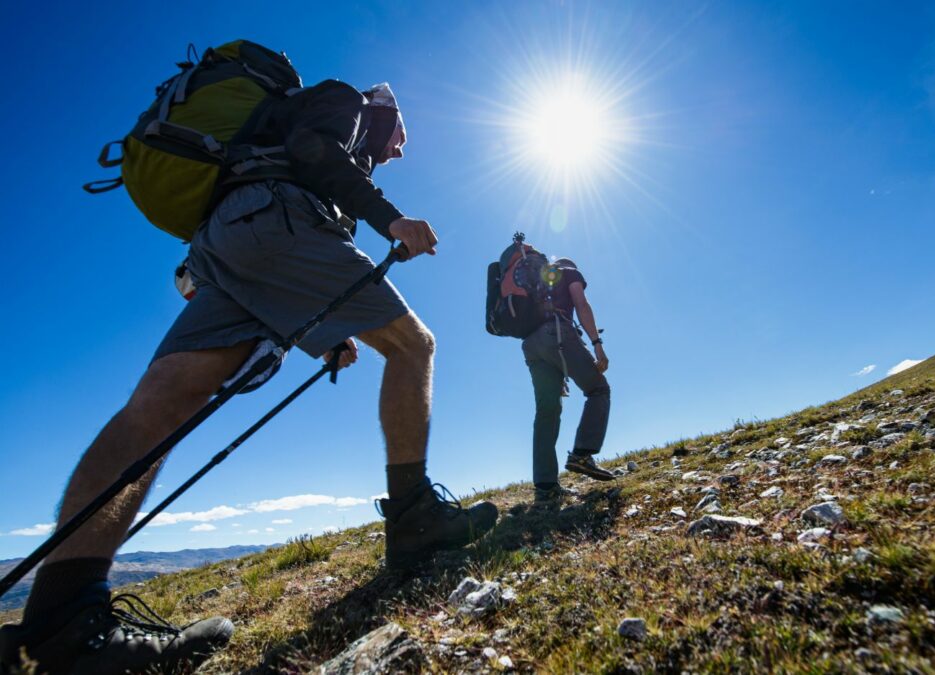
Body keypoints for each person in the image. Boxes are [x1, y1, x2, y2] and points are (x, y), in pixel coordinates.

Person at [0, 74, 497, 674]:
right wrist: (389, 219)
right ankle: (415, 517)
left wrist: (325, 339)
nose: (400, 149)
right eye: (402, 135)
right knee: (413, 345)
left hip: (228, 239)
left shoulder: (276, 129)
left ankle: (62, 622)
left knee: (157, 408)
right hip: (277, 217)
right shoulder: (351, 102)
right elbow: (314, 150)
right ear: (386, 112)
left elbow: (285, 252)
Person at [517, 247, 614, 505]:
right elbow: (581, 305)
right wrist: (597, 343)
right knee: (598, 389)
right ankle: (582, 454)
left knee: (546, 412)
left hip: (531, 346)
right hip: (557, 334)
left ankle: (545, 488)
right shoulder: (569, 272)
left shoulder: (535, 281)